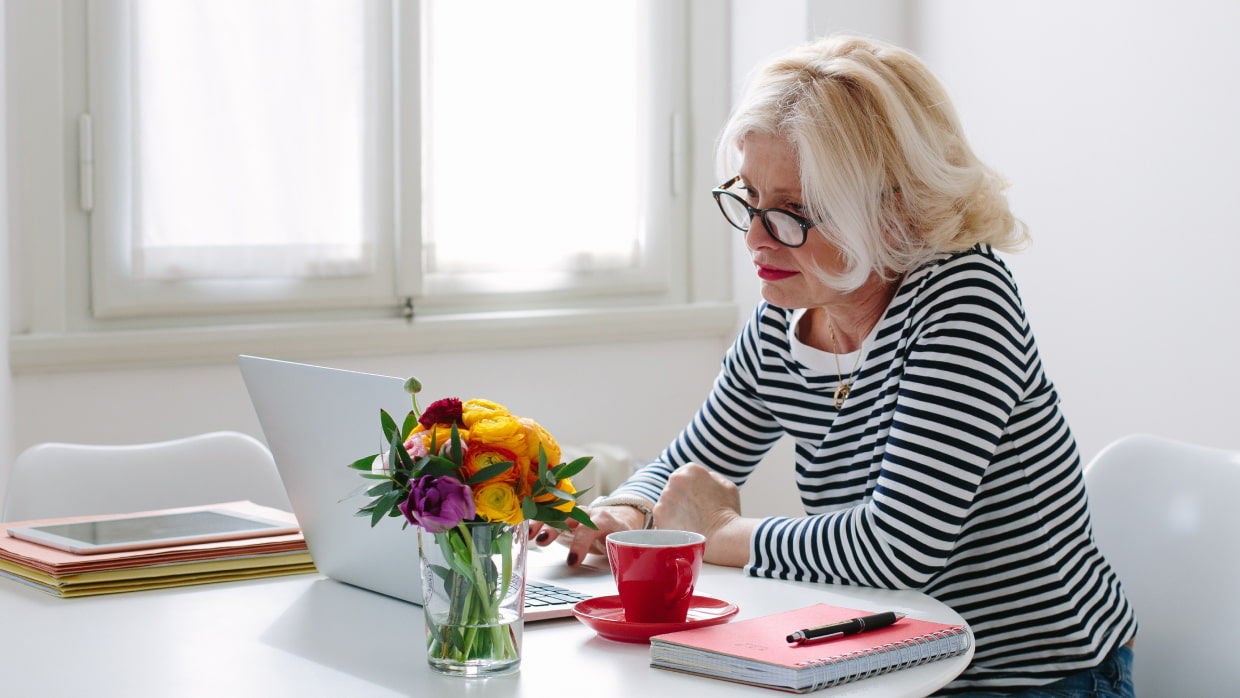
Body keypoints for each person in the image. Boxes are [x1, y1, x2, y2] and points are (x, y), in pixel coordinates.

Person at [532, 34, 1136, 695]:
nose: (758, 238)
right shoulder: (785, 313)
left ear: (894, 207)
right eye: (750, 197)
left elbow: (895, 549)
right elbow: (693, 463)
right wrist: (623, 511)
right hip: (893, 660)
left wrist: (719, 532)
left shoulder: (964, 298)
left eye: (793, 212)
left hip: (1036, 677)